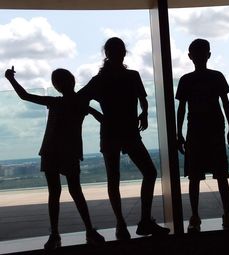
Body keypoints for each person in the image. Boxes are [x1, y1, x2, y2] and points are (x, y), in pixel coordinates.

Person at [79, 37, 170, 240]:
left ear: (107, 53)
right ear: (121, 53)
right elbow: (143, 99)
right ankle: (143, 220)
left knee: (115, 179)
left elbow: (79, 99)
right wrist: (144, 113)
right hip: (128, 132)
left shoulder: (100, 80)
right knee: (148, 172)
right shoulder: (131, 76)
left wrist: (98, 115)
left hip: (112, 131)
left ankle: (121, 224)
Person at [5, 67, 105, 250]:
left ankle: (55, 234)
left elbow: (25, 96)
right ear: (72, 80)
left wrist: (11, 79)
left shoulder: (55, 102)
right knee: (76, 192)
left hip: (50, 150)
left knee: (54, 193)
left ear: (55, 85)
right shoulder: (80, 103)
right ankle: (89, 230)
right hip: (70, 152)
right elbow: (95, 112)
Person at [176, 38, 229, 233]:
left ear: (190, 56)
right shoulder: (216, 76)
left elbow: (182, 108)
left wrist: (178, 133)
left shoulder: (186, 80)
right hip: (214, 129)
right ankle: (226, 214)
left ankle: (195, 217)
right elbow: (225, 104)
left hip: (196, 130)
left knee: (194, 177)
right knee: (221, 175)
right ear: (209, 55)